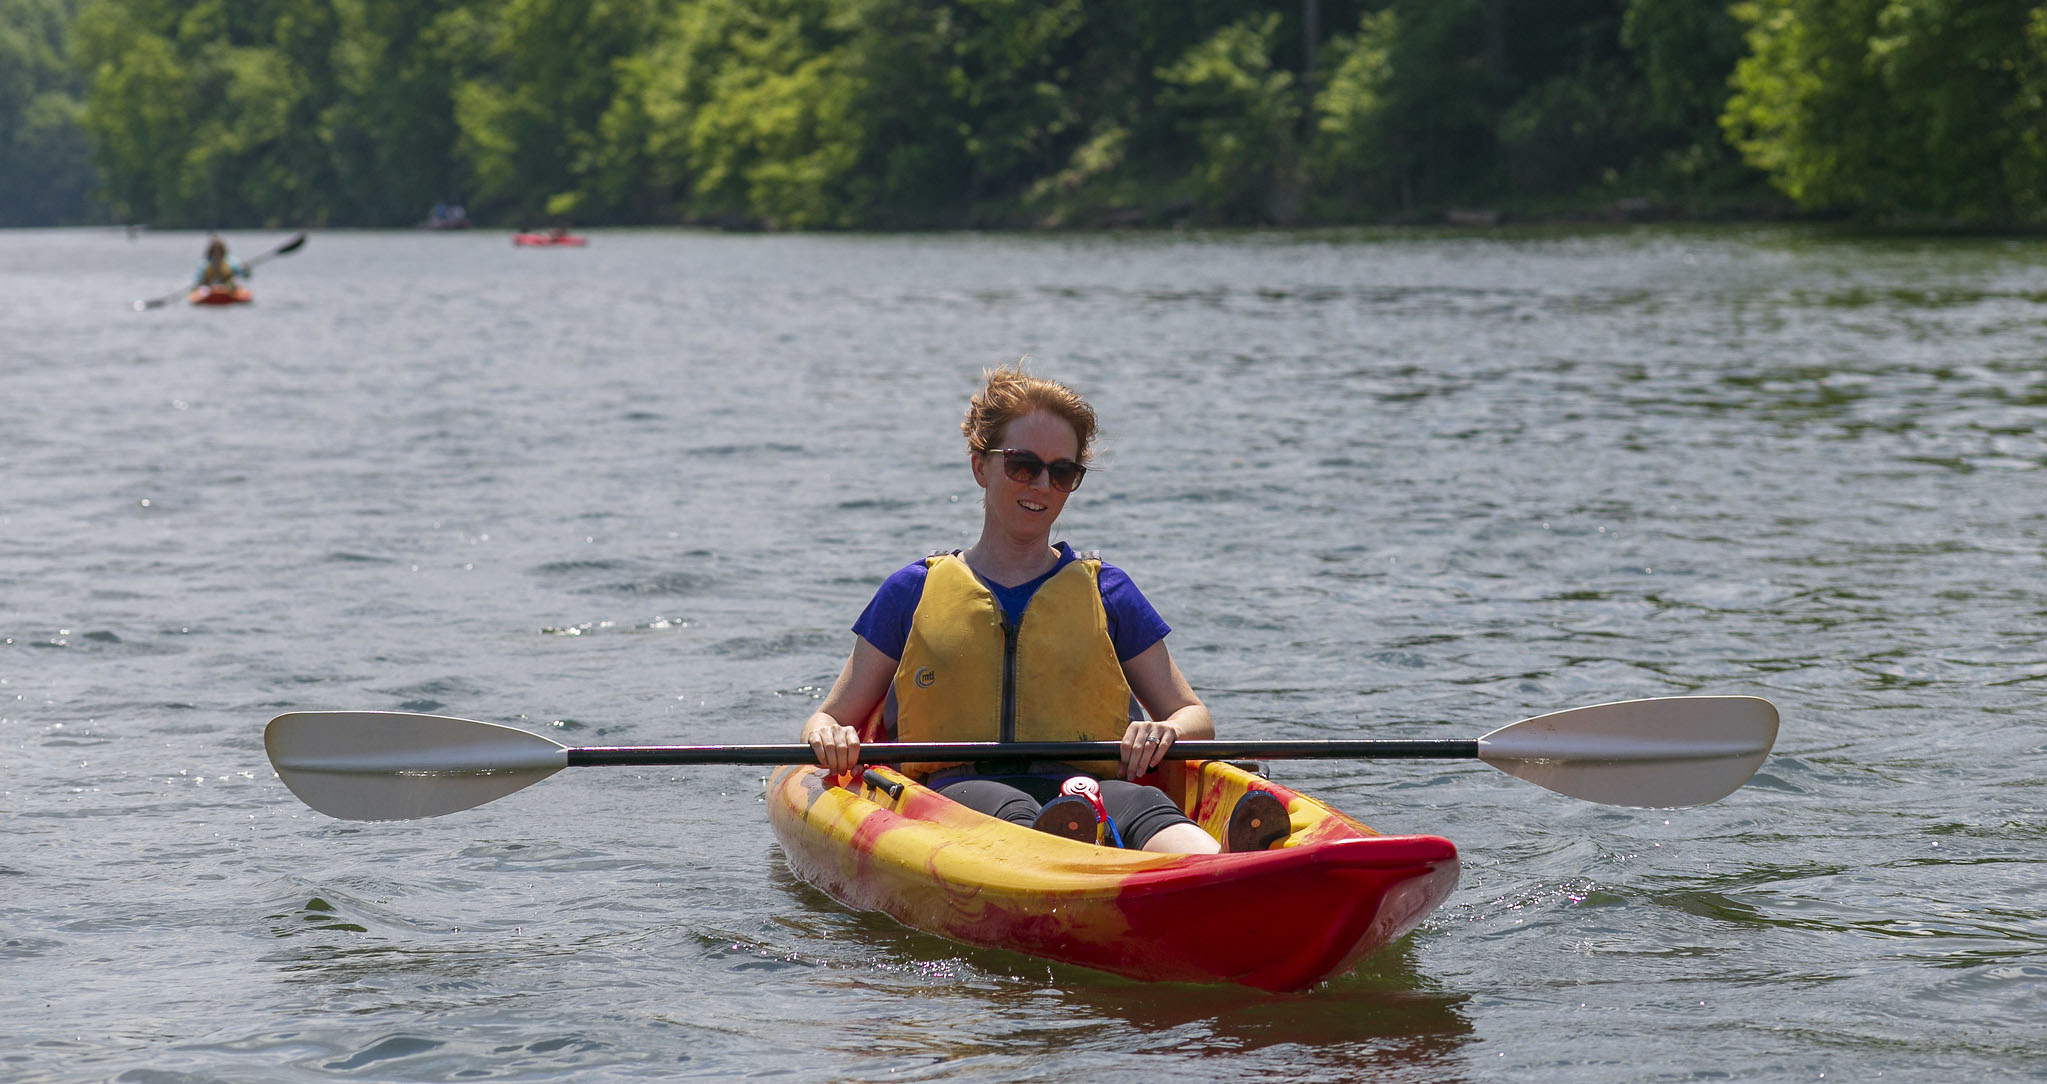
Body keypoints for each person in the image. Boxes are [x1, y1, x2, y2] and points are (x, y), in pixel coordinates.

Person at [800, 365, 1287, 854]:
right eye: (1022, 465)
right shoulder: (911, 592)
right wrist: (831, 737)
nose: (1041, 486)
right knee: (1012, 808)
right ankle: (1067, 845)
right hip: (955, 793)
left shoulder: (1109, 592)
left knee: (1143, 809)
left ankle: (1220, 861)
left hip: (1087, 787)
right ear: (980, 467)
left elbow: (1192, 715)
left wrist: (1166, 730)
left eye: (1062, 472)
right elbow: (826, 718)